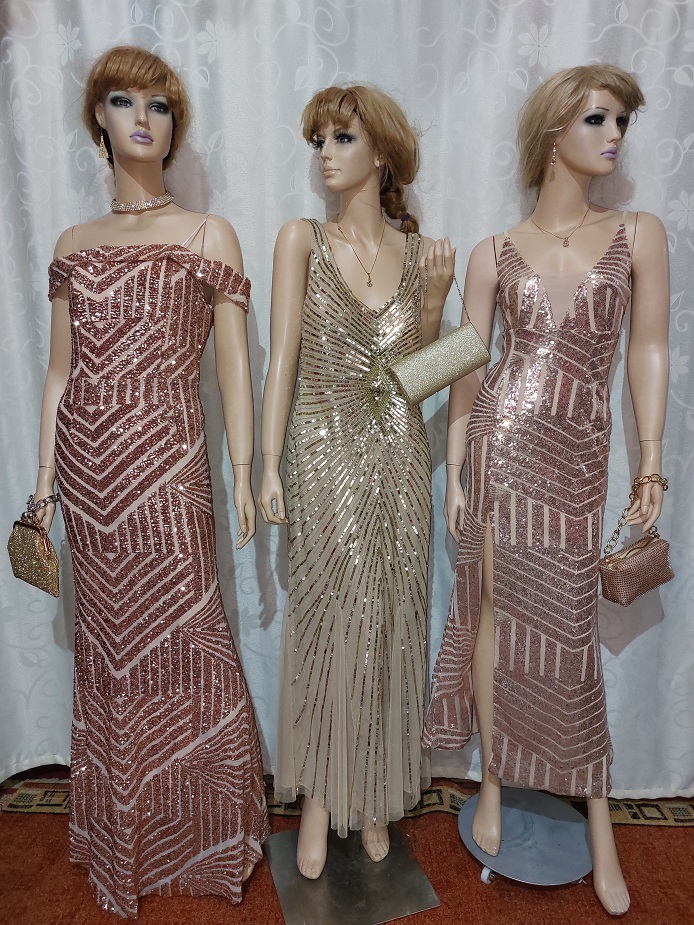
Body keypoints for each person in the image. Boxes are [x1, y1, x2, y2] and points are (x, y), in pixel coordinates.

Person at [422, 64, 669, 917]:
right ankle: (495, 781)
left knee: (569, 632)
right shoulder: (492, 251)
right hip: (502, 449)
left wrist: (651, 463)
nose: (615, 134)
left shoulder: (638, 233)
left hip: (576, 460)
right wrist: (455, 462)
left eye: (623, 120)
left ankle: (597, 814)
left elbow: (648, 350)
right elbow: (467, 359)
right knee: (493, 612)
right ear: (554, 131)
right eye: (598, 118)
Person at [32, 45, 269, 918]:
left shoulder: (208, 234)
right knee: (112, 656)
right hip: (90, 476)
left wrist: (243, 469)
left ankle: (205, 838)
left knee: (188, 640)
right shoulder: (72, 245)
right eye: (124, 101)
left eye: (160, 105)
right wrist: (44, 483)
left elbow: (235, 368)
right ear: (98, 118)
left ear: (175, 126)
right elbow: (60, 373)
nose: (142, 117)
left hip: (169, 464)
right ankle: (125, 837)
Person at [259, 85, 454, 879]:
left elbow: (419, 381)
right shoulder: (299, 241)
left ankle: (373, 797)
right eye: (319, 140)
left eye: (342, 138)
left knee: (389, 626)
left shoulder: (422, 252)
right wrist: (265, 464)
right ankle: (317, 798)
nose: (326, 154)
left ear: (382, 153)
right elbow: (282, 362)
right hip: (320, 456)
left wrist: (434, 303)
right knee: (330, 622)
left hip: (398, 463)